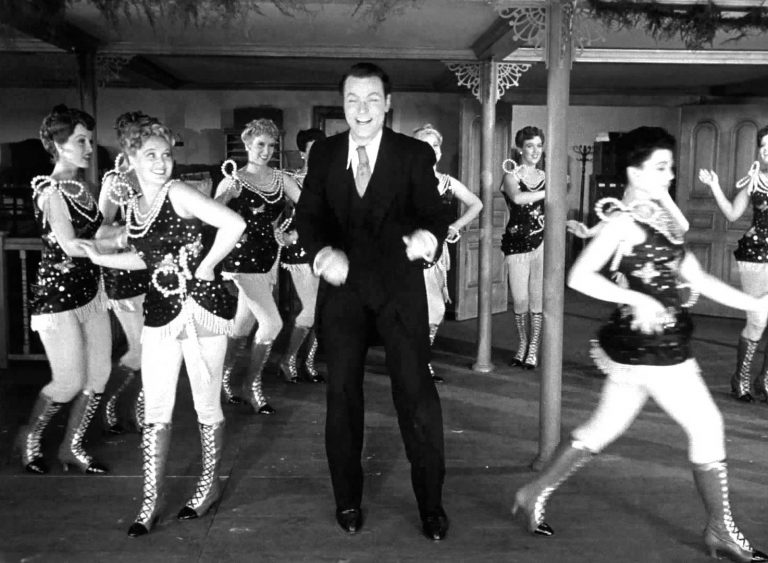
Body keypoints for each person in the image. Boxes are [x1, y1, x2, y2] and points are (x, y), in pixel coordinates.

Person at [512, 126, 768, 563]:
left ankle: (533, 491)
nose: (670, 175)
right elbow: (580, 277)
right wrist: (637, 297)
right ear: (635, 172)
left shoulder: (660, 219)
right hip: (653, 349)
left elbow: (698, 278)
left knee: (603, 428)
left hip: (649, 346)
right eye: (661, 167)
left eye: (671, 167)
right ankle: (720, 529)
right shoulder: (623, 222)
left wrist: (754, 303)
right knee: (707, 426)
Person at [295, 62, 451, 541]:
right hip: (344, 294)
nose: (361, 110)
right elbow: (308, 218)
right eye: (352, 100)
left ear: (388, 105)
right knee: (342, 396)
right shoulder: (324, 153)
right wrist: (322, 254)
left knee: (416, 397)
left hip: (399, 293)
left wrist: (428, 239)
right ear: (343, 104)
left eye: (372, 99)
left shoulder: (413, 153)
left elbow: (435, 214)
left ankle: (431, 506)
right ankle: (347, 501)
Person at [76, 113, 245, 537]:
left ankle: (207, 487)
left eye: (166, 154)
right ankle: (149, 501)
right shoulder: (135, 206)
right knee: (155, 408)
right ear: (130, 159)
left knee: (206, 405)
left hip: (201, 311)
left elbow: (234, 223)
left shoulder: (180, 192)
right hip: (160, 314)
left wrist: (208, 265)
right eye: (150, 154)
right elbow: (145, 259)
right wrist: (98, 257)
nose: (160, 162)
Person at [16, 105, 112, 476]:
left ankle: (72, 446)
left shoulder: (83, 187)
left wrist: (131, 231)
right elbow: (71, 245)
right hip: (57, 297)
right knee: (69, 380)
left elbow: (97, 231)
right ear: (58, 145)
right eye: (80, 141)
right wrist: (114, 247)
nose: (89, 147)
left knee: (99, 373)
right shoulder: (50, 190)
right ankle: (29, 436)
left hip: (90, 290)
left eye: (89, 140)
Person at [214, 118, 302, 411]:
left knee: (243, 324)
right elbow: (211, 215)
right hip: (241, 261)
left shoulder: (281, 179)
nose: (266, 151)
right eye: (260, 144)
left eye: (271, 145)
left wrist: (292, 233)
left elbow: (310, 208)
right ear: (247, 144)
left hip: (269, 259)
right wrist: (227, 198)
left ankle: (221, 379)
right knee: (272, 322)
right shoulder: (234, 180)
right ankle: (251, 386)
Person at [698, 126, 768, 402]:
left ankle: (766, 380)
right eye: (763, 146)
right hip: (758, 254)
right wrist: (715, 185)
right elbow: (731, 214)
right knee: (758, 319)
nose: (766, 151)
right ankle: (741, 378)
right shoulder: (754, 181)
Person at [413, 123, 482, 382]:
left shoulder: (448, 182)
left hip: (436, 259)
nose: (430, 150)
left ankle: (420, 361)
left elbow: (476, 204)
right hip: (407, 258)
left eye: (435, 145)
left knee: (436, 311)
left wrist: (455, 226)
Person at [98, 114, 151, 434]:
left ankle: (134, 408)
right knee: (140, 348)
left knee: (152, 347)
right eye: (138, 138)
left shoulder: (153, 175)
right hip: (124, 274)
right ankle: (107, 403)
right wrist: (130, 234)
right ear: (126, 143)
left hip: (151, 271)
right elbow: (100, 230)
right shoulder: (117, 180)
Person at [277, 127, 326, 384]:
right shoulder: (290, 180)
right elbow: (277, 215)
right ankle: (288, 359)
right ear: (303, 154)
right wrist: (290, 233)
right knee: (309, 309)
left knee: (321, 310)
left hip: (324, 251)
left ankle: (308, 362)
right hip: (299, 251)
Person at [501, 126, 545, 369]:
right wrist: (550, 191)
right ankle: (522, 343)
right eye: (530, 146)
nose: (535, 151)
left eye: (539, 145)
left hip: (542, 243)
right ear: (520, 149)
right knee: (520, 299)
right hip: (517, 245)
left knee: (537, 299)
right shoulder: (511, 176)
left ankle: (533, 348)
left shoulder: (546, 176)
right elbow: (518, 199)